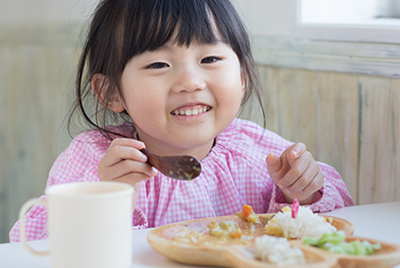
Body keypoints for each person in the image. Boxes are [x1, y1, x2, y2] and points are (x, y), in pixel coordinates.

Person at [9, 0, 354, 242]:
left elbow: (339, 222)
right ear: (111, 91)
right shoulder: (94, 159)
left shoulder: (261, 155)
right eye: (158, 64)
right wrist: (105, 195)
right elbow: (35, 243)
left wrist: (302, 194)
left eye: (210, 58)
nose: (190, 81)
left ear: (244, 75)